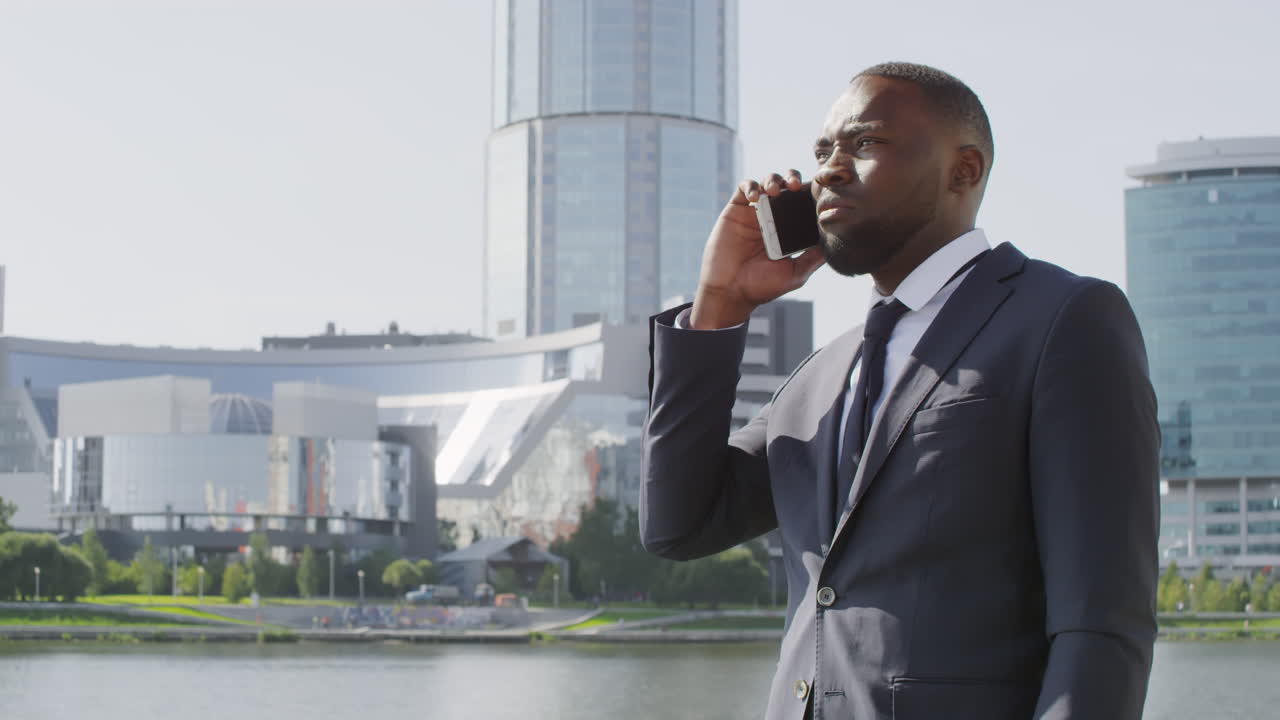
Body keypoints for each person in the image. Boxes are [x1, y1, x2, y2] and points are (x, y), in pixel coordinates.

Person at [640, 62, 1159, 720]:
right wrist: (718, 303)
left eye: (864, 144)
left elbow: (1101, 625)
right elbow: (678, 525)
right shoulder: (820, 377)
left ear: (963, 170)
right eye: (822, 150)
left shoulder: (1064, 320)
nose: (828, 169)